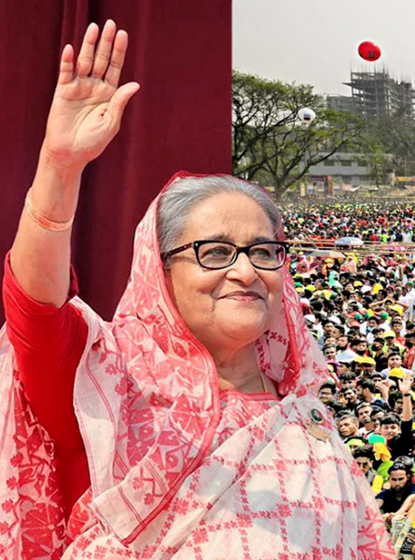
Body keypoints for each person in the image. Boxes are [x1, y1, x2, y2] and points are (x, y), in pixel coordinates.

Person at [0, 20, 392, 558]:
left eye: (263, 251)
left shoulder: (304, 416)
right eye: (215, 252)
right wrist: (59, 168)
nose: (246, 271)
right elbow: (35, 312)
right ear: (158, 273)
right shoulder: (107, 387)